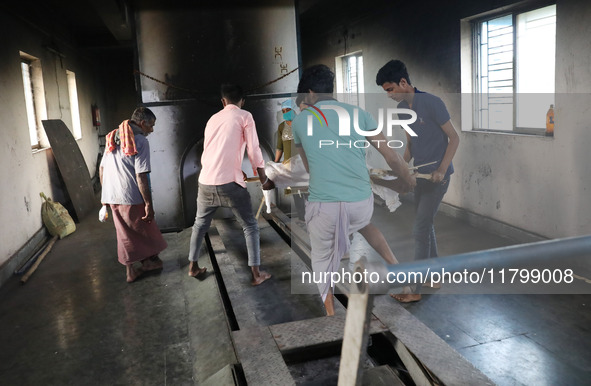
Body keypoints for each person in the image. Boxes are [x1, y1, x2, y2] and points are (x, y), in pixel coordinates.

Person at [291, 64, 416, 315]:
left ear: (311, 93)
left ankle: (330, 312)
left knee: (322, 256)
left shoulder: (300, 121)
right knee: (363, 223)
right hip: (361, 203)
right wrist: (407, 181)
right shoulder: (360, 114)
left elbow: (309, 167)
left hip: (325, 207)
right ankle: (401, 275)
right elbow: (391, 156)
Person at [375, 59, 460, 303]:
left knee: (420, 228)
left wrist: (442, 170)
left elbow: (454, 139)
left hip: (438, 178)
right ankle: (433, 276)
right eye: (385, 91)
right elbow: (410, 145)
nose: (389, 95)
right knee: (425, 224)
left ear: (403, 82)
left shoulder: (433, 102)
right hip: (419, 177)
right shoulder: (402, 109)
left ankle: (414, 289)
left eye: (390, 89)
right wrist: (400, 168)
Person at [187, 83, 273, 285]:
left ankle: (192, 267)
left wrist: (236, 168)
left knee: (199, 225)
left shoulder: (212, 119)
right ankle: (256, 274)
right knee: (250, 226)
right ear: (242, 101)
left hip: (206, 181)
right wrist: (263, 179)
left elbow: (213, 151)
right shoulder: (245, 116)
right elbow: (253, 150)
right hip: (230, 185)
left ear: (223, 101)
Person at [100, 107, 167, 283]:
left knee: (124, 233)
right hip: (130, 195)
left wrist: (106, 195)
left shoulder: (113, 136)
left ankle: (131, 271)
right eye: (151, 126)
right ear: (142, 123)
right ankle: (149, 262)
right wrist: (148, 204)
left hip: (112, 195)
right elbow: (141, 175)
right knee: (147, 228)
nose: (152, 130)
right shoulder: (139, 141)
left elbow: (102, 169)